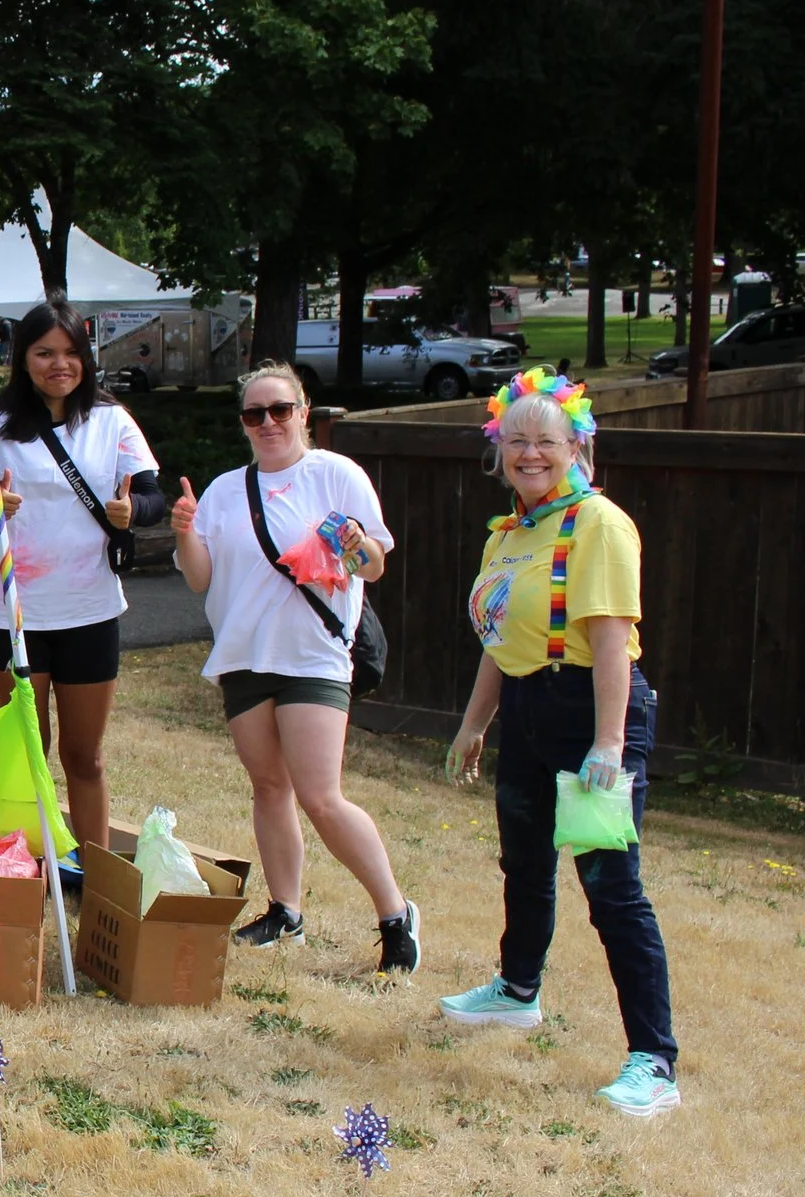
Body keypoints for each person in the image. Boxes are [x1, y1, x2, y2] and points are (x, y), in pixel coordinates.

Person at [440, 370, 677, 1117]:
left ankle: (654, 1061)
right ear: (499, 452)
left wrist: (609, 743)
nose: (530, 454)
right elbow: (498, 639)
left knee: (611, 887)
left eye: (546, 440)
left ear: (578, 447)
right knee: (525, 861)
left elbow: (612, 642)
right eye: (517, 441)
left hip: (592, 708)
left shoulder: (599, 524)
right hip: (528, 704)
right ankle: (517, 990)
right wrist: (476, 722)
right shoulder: (511, 533)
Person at [170, 362, 420, 973]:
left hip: (313, 655)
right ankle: (287, 912)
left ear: (304, 412)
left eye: (280, 410)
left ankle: (395, 916)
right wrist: (183, 533)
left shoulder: (337, 475)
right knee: (269, 786)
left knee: (321, 795)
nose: (268, 423)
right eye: (254, 414)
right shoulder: (227, 489)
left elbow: (374, 565)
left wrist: (355, 541)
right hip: (244, 656)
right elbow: (202, 579)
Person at [0, 300, 165, 854]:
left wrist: (134, 511)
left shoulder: (111, 420)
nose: (58, 364)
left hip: (89, 609)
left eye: (70, 353)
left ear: (85, 359)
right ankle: (32, 871)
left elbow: (152, 495)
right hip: (11, 613)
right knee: (29, 751)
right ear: (23, 359)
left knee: (84, 757)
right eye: (44, 353)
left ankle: (94, 873)